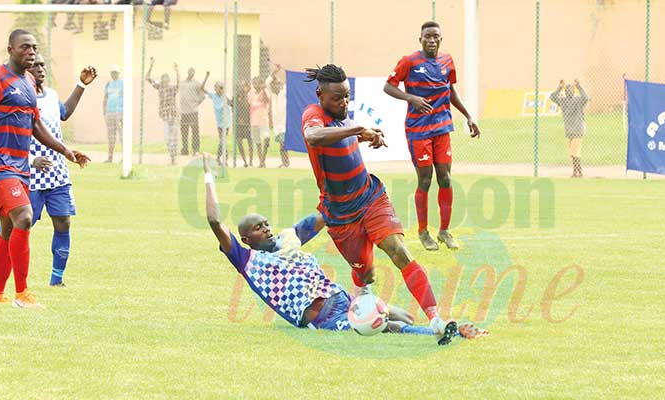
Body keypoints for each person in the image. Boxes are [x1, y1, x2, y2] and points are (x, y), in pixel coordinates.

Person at [201, 154, 488, 339]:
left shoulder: (290, 237)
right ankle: (443, 332)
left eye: (265, 222)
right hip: (324, 317)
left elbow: (327, 213)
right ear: (246, 239)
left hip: (343, 298)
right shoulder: (247, 260)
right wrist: (208, 176)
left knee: (402, 314)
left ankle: (430, 326)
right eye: (257, 227)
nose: (266, 228)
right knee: (382, 327)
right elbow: (215, 221)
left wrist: (353, 191)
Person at [302, 64, 482, 345]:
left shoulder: (343, 118)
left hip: (370, 197)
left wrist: (369, 134)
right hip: (340, 213)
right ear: (320, 95)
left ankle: (436, 319)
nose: (343, 102)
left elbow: (348, 132)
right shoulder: (313, 115)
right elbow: (313, 137)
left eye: (346, 96)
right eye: (337, 98)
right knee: (365, 271)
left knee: (398, 251)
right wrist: (359, 129)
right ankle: (364, 304)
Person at [0, 30, 89, 308]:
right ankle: (22, 294)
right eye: (25, 47)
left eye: (34, 47)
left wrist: (66, 151)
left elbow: (35, 126)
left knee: (8, 231)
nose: (31, 52)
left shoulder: (29, 81)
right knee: (25, 216)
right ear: (10, 49)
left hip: (21, 167)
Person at [383, 21, 481, 251]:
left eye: (435, 36)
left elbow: (451, 91)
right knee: (425, 180)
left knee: (445, 178)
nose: (431, 40)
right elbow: (388, 86)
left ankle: (445, 231)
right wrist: (411, 98)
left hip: (442, 128)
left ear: (440, 38)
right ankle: (423, 231)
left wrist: (468, 116)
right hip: (418, 131)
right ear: (420, 39)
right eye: (427, 36)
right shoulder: (409, 61)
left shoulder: (447, 61)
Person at [550, 79, 588, 178]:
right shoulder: (563, 101)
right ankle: (578, 172)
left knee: (574, 152)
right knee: (573, 154)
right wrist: (560, 87)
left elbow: (586, 98)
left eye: (571, 90)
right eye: (567, 90)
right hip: (570, 131)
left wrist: (579, 86)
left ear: (574, 91)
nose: (569, 91)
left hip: (578, 130)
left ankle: (577, 172)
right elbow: (552, 97)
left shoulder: (578, 100)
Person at [146, 57, 180, 165]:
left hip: (173, 116)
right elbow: (147, 78)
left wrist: (177, 71)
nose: (164, 81)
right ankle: (172, 154)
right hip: (165, 116)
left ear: (169, 81)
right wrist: (151, 65)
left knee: (173, 137)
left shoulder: (172, 88)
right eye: (163, 80)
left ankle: (173, 158)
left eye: (166, 80)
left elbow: (179, 84)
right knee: (167, 138)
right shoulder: (159, 87)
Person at [178, 67, 208, 155]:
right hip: (183, 112)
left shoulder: (197, 84)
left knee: (195, 131)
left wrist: (196, 103)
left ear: (194, 73)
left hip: (193, 112)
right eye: (190, 71)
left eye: (193, 71)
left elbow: (203, 96)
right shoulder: (182, 83)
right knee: (184, 131)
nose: (191, 73)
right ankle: (185, 149)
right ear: (187, 72)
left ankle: (196, 150)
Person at [206, 81, 233, 167]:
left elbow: (232, 104)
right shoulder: (213, 95)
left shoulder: (225, 96)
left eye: (221, 87)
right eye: (218, 87)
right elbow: (202, 89)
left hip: (226, 122)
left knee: (222, 141)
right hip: (219, 122)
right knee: (222, 141)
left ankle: (224, 159)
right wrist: (206, 77)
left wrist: (225, 96)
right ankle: (218, 158)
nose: (219, 89)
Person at [248, 75, 272, 168]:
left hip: (263, 120)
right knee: (258, 142)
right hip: (254, 121)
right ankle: (261, 161)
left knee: (266, 139)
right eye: (254, 83)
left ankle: (263, 159)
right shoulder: (251, 93)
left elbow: (266, 101)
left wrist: (263, 90)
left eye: (258, 82)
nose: (255, 84)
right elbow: (251, 104)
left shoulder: (265, 92)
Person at [268, 64, 289, 168]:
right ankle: (285, 162)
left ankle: (285, 162)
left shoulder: (283, 93)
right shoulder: (272, 94)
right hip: (277, 124)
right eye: (274, 84)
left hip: (284, 123)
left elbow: (285, 84)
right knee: (281, 144)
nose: (275, 86)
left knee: (282, 143)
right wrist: (275, 72)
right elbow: (268, 82)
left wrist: (280, 74)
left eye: (277, 84)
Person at [103, 64, 123, 163]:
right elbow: (105, 97)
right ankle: (110, 157)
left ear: (118, 73)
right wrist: (104, 110)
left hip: (120, 112)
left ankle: (124, 157)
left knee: (122, 135)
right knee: (111, 136)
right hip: (109, 112)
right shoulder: (108, 84)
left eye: (115, 72)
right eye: (112, 72)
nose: (114, 74)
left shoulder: (122, 83)